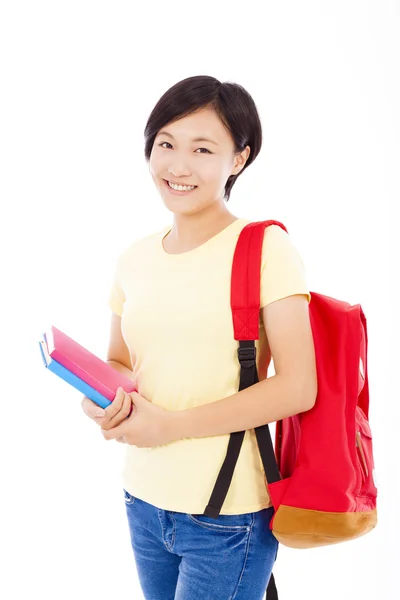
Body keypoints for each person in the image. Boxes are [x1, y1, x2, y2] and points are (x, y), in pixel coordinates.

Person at [81, 75, 317, 600]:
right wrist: (103, 399)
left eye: (203, 149)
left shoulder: (265, 249)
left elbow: (299, 387)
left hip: (225, 514)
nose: (178, 165)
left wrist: (174, 426)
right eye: (165, 143)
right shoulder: (134, 258)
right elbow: (120, 360)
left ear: (239, 158)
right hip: (141, 498)